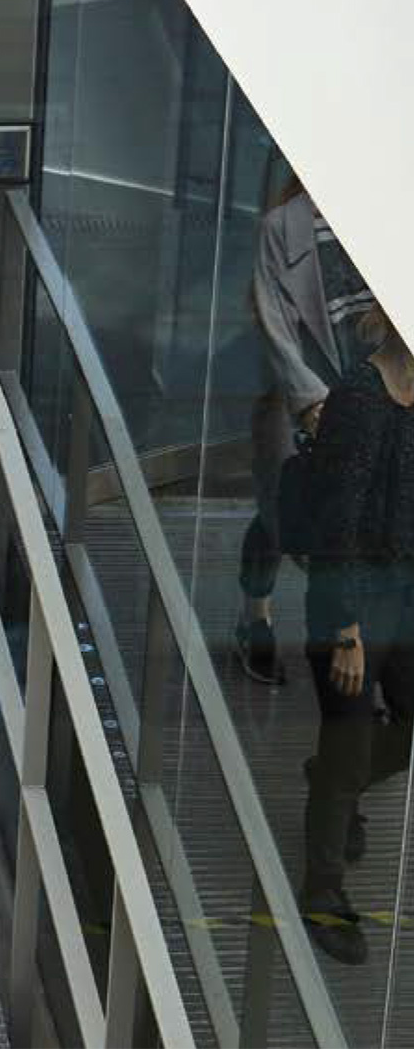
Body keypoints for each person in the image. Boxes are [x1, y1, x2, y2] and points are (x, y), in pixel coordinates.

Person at [297, 306, 414, 966]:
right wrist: (345, 629)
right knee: (345, 751)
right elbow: (335, 522)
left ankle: (334, 790)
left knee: (399, 732)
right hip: (352, 606)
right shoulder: (359, 398)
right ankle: (323, 893)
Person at [237, 179, 378, 684]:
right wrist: (311, 402)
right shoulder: (284, 227)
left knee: (362, 518)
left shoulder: (384, 209)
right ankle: (256, 615)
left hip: (375, 396)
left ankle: (361, 657)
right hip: (301, 397)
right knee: (282, 513)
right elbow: (275, 326)